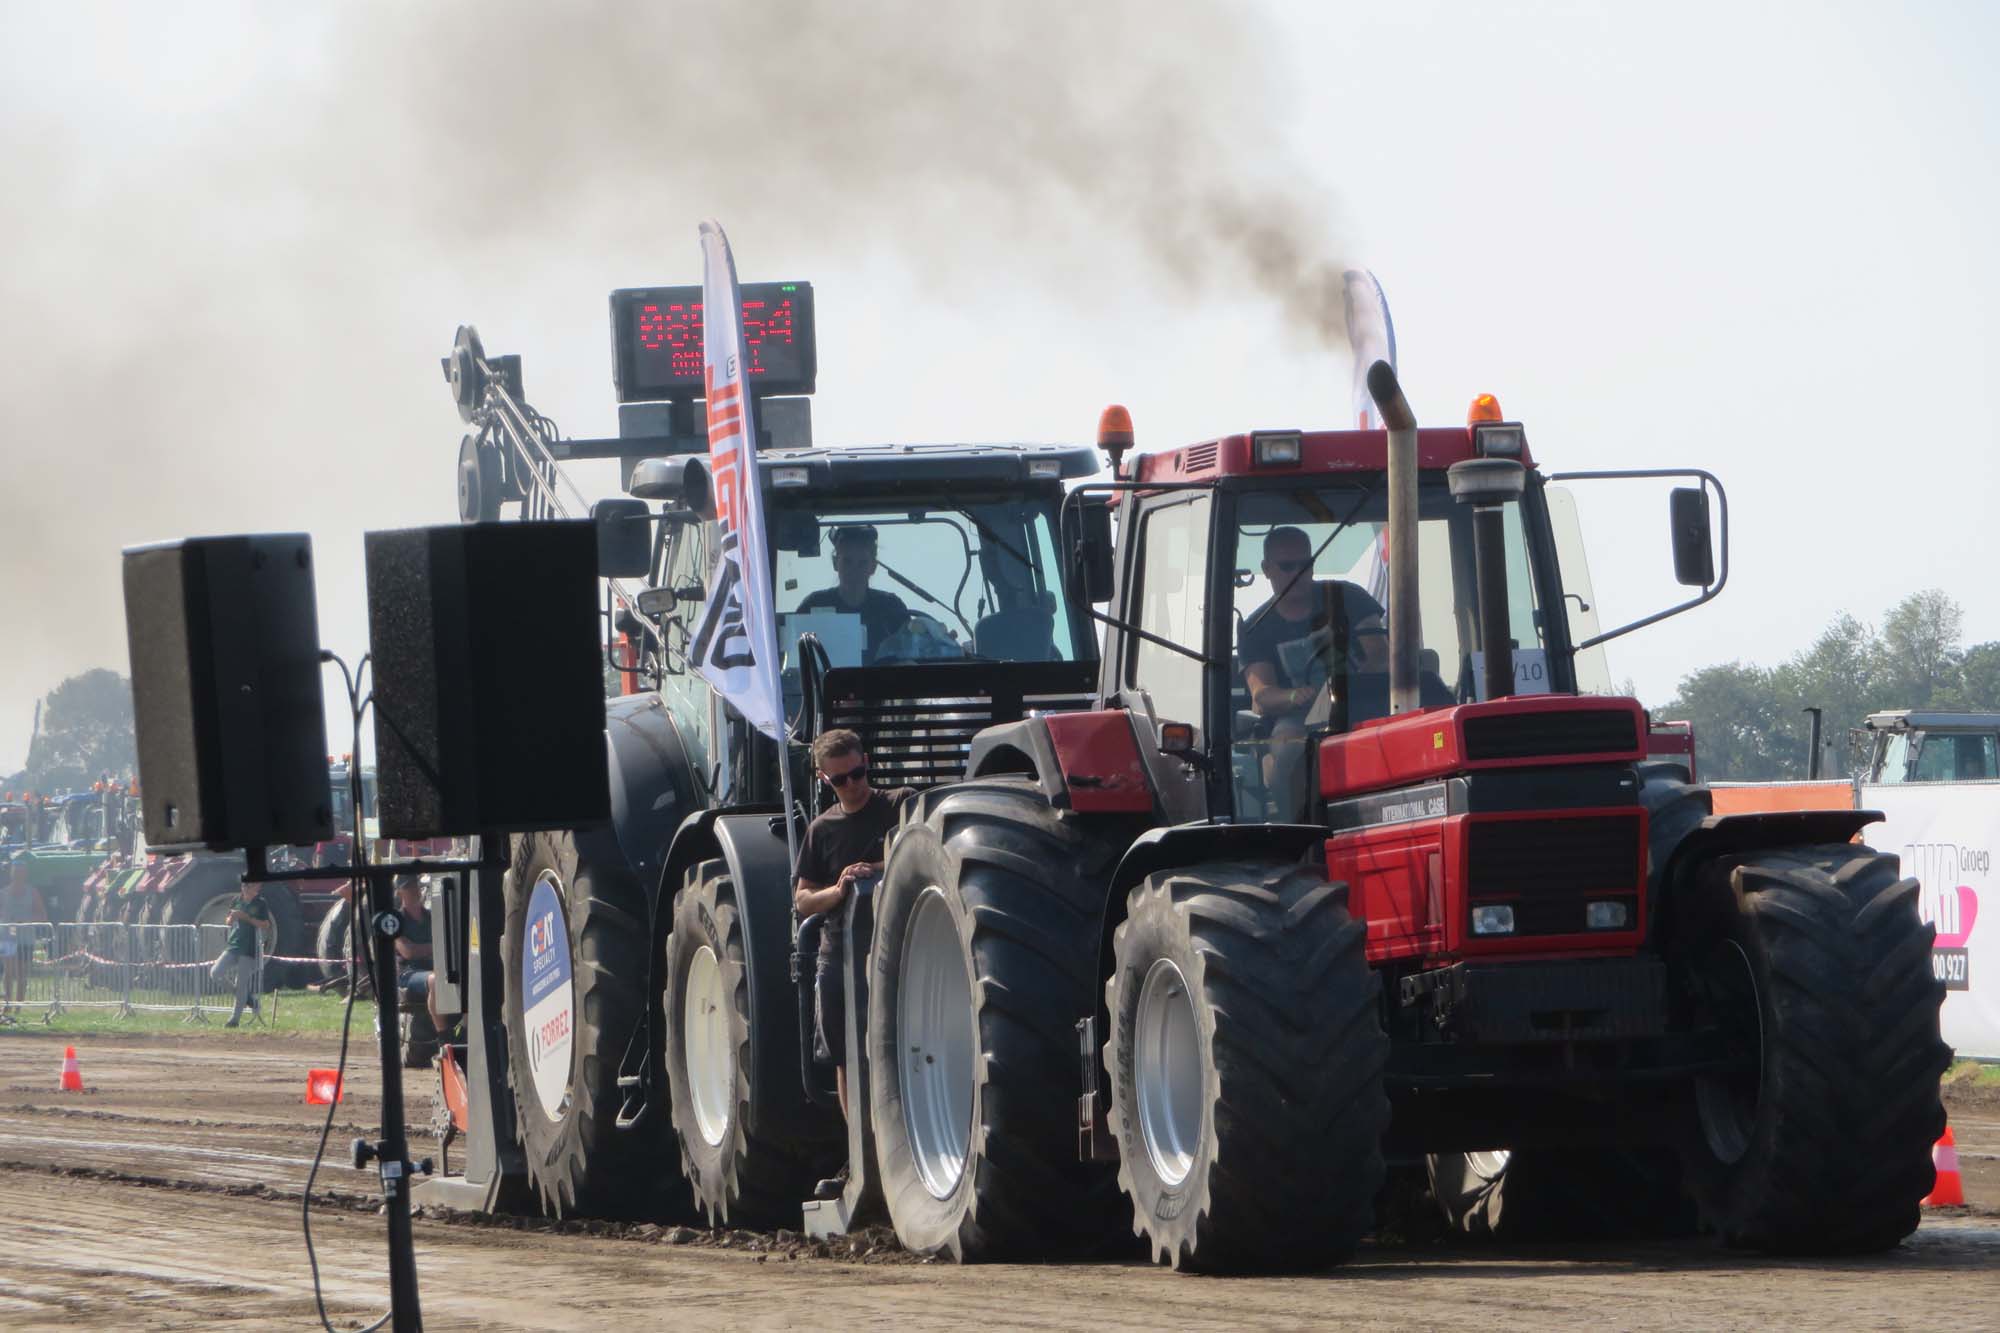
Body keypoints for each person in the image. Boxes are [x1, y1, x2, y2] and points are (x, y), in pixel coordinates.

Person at [792, 728, 916, 1199]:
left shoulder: (900, 803)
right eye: (842, 779)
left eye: (859, 772)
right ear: (825, 779)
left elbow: (920, 851)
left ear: (868, 761)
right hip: (837, 950)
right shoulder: (821, 831)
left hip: (895, 945)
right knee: (846, 1053)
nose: (854, 784)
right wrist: (839, 890)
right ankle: (862, 1150)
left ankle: (898, 1144)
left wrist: (876, 870)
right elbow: (803, 900)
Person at [1238, 527, 1384, 816]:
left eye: (1304, 565)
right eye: (1286, 566)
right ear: (1267, 569)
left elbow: (1380, 655)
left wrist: (1346, 687)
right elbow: (1262, 696)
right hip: (1298, 718)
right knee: (1288, 752)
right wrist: (1297, 696)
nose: (1297, 573)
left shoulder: (1349, 598)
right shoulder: (1256, 627)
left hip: (1365, 704)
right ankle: (1300, 828)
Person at [794, 525, 911, 661]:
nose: (854, 570)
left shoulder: (892, 608)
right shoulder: (813, 605)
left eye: (862, 563)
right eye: (847, 562)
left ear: (873, 567)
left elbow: (908, 657)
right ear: (835, 563)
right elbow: (797, 661)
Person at [209, 879, 274, 1028]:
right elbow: (228, 921)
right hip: (233, 945)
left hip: (249, 948)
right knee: (215, 972)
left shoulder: (260, 903)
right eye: (244, 885)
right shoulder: (236, 900)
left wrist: (246, 918)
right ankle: (248, 999)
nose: (245, 887)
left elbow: (265, 924)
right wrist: (231, 919)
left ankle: (234, 1020)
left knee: (241, 983)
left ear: (256, 887)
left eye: (249, 885)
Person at [392, 877, 443, 1039]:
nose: (415, 890)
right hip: (408, 974)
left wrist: (427, 949)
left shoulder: (432, 917)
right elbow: (408, 952)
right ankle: (444, 1037)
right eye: (409, 887)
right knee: (435, 981)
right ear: (400, 892)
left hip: (434, 968)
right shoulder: (396, 921)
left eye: (416, 885)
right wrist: (435, 947)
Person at [1, 857, 49, 1021]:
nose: (18, 875)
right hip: (8, 937)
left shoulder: (32, 892)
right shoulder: (4, 893)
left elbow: (42, 914)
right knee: (8, 972)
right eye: (15, 872)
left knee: (21, 973)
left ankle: (19, 1006)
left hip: (26, 938)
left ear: (25, 874)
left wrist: (27, 921)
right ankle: (6, 1003)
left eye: (21, 872)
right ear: (11, 873)